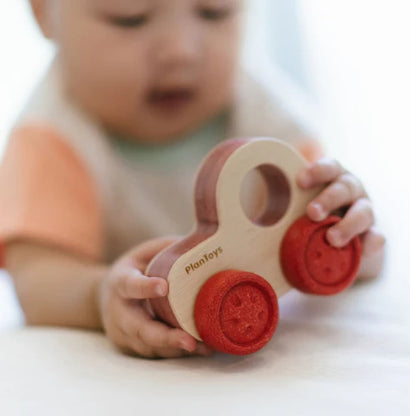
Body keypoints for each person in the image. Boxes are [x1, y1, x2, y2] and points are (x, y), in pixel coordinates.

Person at [0, 0, 385, 359]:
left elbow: (333, 243)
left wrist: (348, 238)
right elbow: (38, 281)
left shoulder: (267, 116)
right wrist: (98, 295)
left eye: (214, 12)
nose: (181, 50)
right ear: (43, 13)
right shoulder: (54, 137)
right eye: (130, 17)